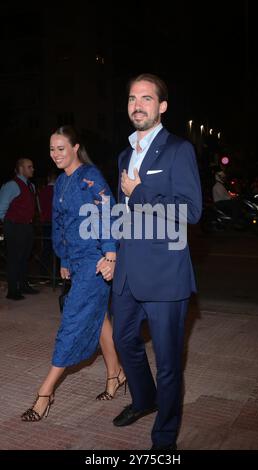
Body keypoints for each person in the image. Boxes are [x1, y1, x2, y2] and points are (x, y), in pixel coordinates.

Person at [106, 73, 202, 450]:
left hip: (165, 277)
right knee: (123, 340)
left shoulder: (179, 150)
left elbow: (191, 211)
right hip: (128, 273)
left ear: (161, 106)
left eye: (146, 98)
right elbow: (123, 212)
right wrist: (113, 252)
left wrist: (141, 191)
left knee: (168, 363)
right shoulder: (124, 155)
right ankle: (144, 400)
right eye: (132, 98)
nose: (137, 105)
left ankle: (164, 439)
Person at [21, 125, 126, 422]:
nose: (55, 154)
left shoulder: (89, 177)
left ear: (75, 148)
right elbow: (59, 222)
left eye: (61, 148)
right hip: (76, 261)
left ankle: (45, 392)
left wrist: (110, 254)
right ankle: (114, 375)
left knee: (72, 321)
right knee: (98, 317)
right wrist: (63, 257)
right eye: (52, 149)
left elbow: (109, 213)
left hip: (95, 262)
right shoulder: (62, 182)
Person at [0, 158, 39, 300]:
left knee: (24, 258)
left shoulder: (31, 186)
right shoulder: (12, 185)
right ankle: (12, 290)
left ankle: (23, 285)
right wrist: (10, 223)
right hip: (15, 226)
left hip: (26, 226)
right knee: (14, 258)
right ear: (21, 169)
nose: (32, 169)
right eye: (29, 167)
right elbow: (1, 208)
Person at [38, 168, 58, 279]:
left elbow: (40, 207)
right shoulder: (58, 190)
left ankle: (44, 275)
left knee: (46, 248)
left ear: (48, 179)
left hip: (45, 222)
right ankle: (58, 276)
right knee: (58, 249)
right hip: (56, 223)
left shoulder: (42, 191)